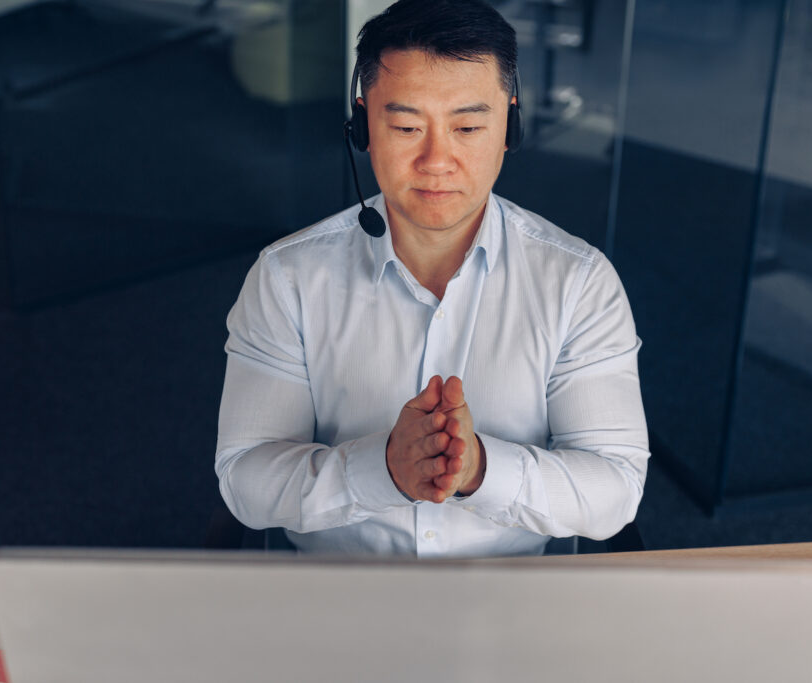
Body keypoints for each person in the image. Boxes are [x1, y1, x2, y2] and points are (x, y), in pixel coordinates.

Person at [215, 0, 648, 557]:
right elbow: (246, 482)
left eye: (467, 126)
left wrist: (480, 469)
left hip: (513, 608)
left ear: (510, 122)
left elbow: (615, 491)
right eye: (406, 126)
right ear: (362, 122)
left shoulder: (578, 282)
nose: (437, 159)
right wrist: (381, 470)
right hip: (335, 603)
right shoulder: (287, 277)